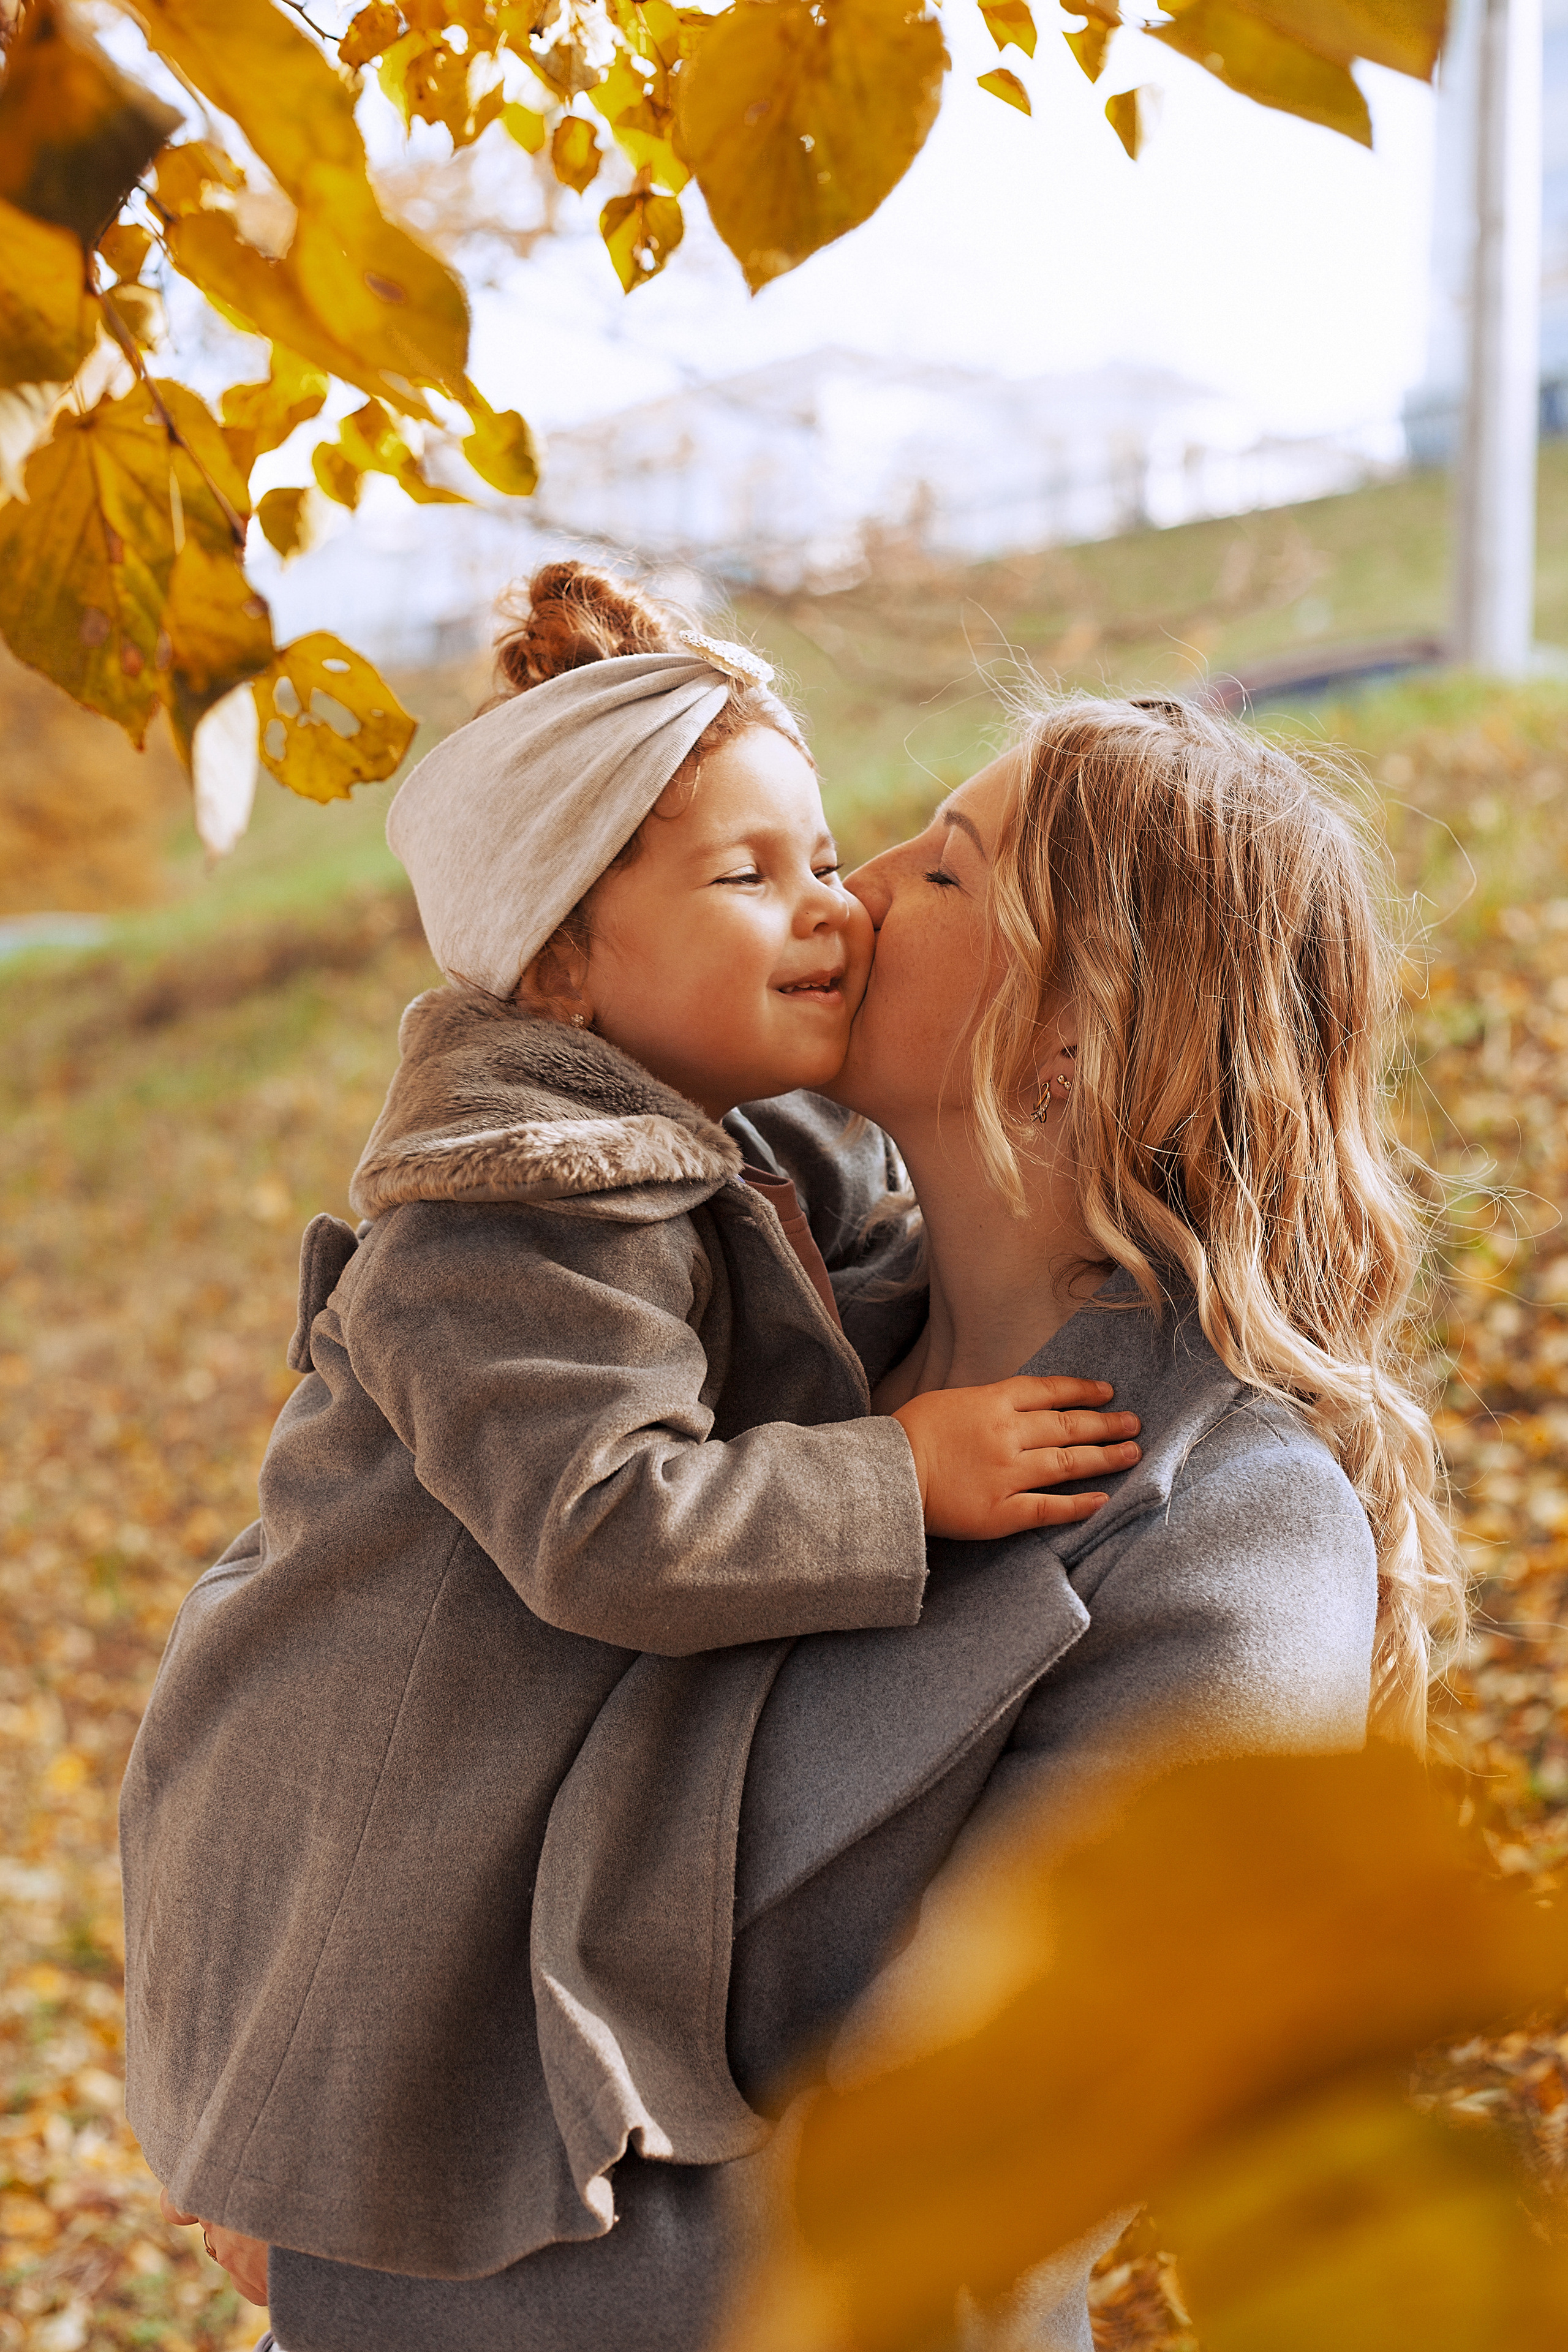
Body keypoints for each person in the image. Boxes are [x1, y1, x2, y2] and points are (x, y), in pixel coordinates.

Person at [246, 692, 1463, 2352]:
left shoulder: (1233, 1537)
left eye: (944, 872)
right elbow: (375, 1692)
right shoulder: (730, 1339)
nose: (857, 891)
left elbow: (994, 2161)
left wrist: (388, 2186)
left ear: (1072, 1043)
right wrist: (291, 2095)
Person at [122, 570, 1137, 2309]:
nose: (828, 910)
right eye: (747, 879)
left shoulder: (757, 1138)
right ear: (565, 965)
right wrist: (904, 1473)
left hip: (505, 1729)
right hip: (359, 1759)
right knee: (351, 2093)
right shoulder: (507, 1218)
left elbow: (859, 1283)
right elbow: (612, 1525)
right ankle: (303, 2215)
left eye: (824, 857)